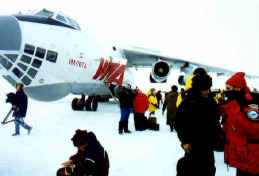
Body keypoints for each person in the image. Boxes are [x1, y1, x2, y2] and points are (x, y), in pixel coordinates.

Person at [175, 72, 220, 176]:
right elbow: (179, 123)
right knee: (192, 170)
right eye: (205, 89)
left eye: (208, 88)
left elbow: (215, 119)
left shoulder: (210, 100)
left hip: (208, 145)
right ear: (198, 88)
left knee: (209, 170)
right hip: (193, 145)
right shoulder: (187, 102)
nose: (207, 91)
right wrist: (184, 141)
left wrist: (217, 134)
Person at [221, 72, 259, 176]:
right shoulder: (235, 101)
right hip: (241, 156)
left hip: (251, 157)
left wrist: (231, 108)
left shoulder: (250, 104)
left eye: (228, 89)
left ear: (237, 88)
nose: (226, 91)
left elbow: (252, 128)